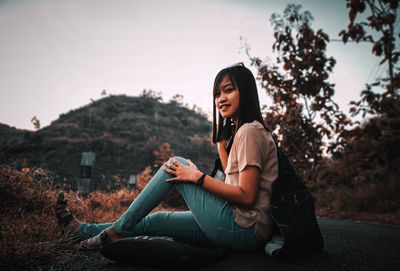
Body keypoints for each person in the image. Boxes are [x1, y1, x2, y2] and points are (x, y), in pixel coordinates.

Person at [55, 63, 279, 252]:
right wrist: (221, 146)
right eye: (217, 94)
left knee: (176, 164)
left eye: (228, 90)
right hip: (237, 224)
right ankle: (79, 230)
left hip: (242, 230)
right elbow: (232, 186)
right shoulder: (243, 133)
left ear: (246, 92)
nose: (220, 99)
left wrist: (197, 178)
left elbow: (247, 197)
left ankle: (114, 233)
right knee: (157, 219)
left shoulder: (250, 131)